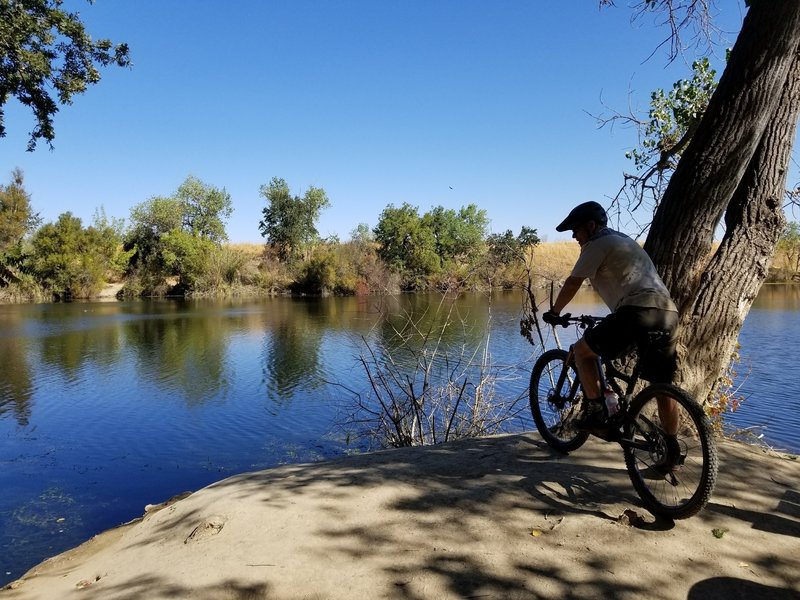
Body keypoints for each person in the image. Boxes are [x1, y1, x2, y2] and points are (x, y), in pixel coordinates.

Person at [542, 201, 680, 462]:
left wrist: (555, 312)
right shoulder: (624, 241)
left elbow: (573, 282)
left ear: (591, 227)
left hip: (637, 312)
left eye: (576, 230)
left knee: (582, 352)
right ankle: (670, 450)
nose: (574, 236)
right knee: (662, 386)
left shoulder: (597, 244)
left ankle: (598, 415)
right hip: (668, 313)